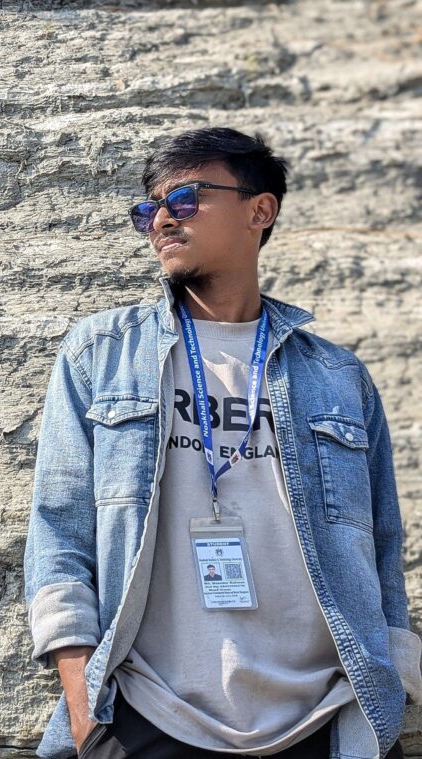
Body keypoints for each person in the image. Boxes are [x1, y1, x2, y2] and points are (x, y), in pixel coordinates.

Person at [23, 127, 422, 759]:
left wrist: (392, 697)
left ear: (259, 211)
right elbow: (58, 532)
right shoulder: (102, 353)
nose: (162, 220)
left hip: (326, 720)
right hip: (150, 716)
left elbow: (381, 549)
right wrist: (82, 708)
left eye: (185, 199)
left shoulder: (337, 376)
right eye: (149, 209)